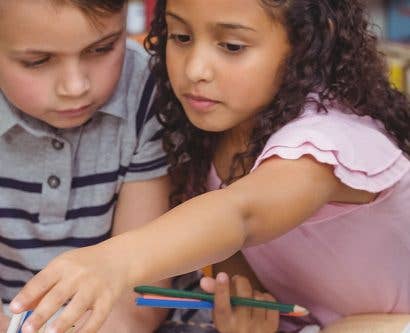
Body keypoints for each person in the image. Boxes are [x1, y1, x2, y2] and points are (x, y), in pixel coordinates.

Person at [10, 0, 410, 332]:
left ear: (307, 43)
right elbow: (239, 272)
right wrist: (242, 314)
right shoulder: (205, 140)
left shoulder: (326, 139)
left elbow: (242, 213)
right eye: (181, 37)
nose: (195, 69)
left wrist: (111, 261)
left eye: (232, 46)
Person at [0, 0, 172, 332]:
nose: (75, 86)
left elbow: (143, 297)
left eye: (102, 48)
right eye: (37, 61)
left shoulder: (147, 92)